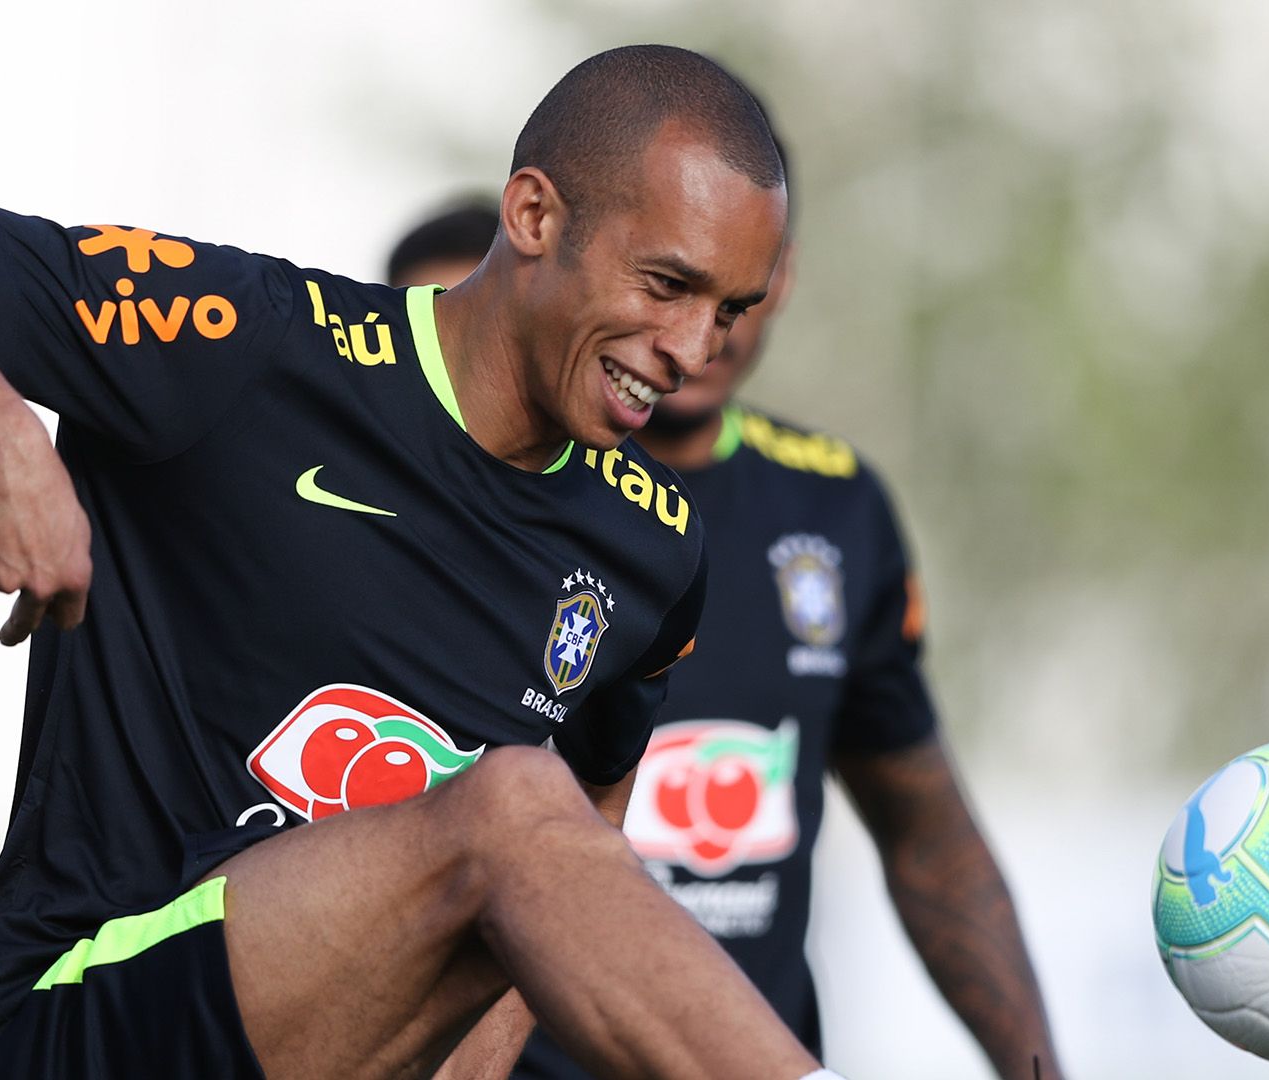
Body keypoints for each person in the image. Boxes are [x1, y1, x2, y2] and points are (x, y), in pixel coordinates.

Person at [0, 46, 843, 1080]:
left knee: (531, 815)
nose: (697, 352)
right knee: (510, 803)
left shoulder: (649, 540)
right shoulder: (245, 343)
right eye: (666, 285)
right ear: (534, 215)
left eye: (731, 312)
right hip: (80, 1013)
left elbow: (588, 837)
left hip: (319, 1041)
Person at [389, 129, 1065, 1080]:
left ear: (778, 278)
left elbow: (927, 832)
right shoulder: (471, 492)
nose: (701, 332)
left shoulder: (834, 506)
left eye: (734, 290)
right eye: (669, 278)